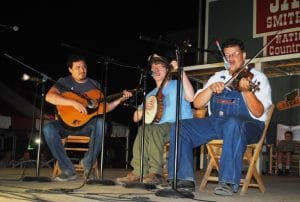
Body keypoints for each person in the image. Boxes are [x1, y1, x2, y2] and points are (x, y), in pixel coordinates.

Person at [167, 38, 272, 195]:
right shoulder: (218, 76)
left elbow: (258, 112)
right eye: (227, 55)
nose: (231, 58)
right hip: (217, 122)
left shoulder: (258, 78)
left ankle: (228, 182)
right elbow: (197, 103)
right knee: (180, 127)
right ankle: (183, 179)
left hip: (250, 125)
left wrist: (247, 91)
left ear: (244, 55)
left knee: (233, 123)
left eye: (235, 54)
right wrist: (210, 89)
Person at [43, 54, 132, 182]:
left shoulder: (94, 84)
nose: (82, 70)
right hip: (65, 125)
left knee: (101, 123)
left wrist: (120, 99)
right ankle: (68, 169)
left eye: (84, 67)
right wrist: (74, 103)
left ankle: (88, 162)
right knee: (48, 128)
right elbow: (49, 97)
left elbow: (105, 107)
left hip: (86, 126)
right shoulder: (64, 82)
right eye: (77, 67)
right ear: (70, 70)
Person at [116, 54, 194, 184]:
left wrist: (180, 71)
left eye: (160, 67)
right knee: (143, 129)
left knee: (155, 129)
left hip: (180, 125)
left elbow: (191, 97)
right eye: (153, 67)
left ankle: (156, 173)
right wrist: (144, 108)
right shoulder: (151, 93)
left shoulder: (178, 84)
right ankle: (138, 171)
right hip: (159, 129)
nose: (156, 70)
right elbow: (135, 117)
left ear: (168, 70)